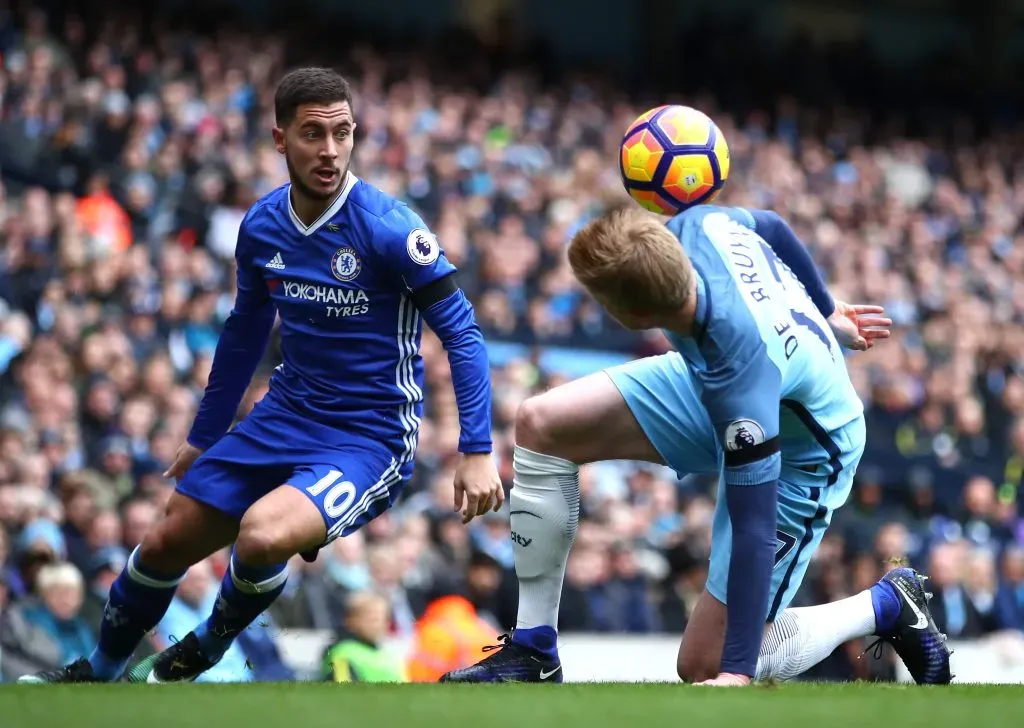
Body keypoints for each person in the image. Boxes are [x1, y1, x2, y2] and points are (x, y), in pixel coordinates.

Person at [20, 67, 502, 685]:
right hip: (283, 417)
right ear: (280, 140)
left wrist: (477, 449)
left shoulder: (390, 227)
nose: (329, 151)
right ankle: (100, 671)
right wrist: (206, 433)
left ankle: (208, 643)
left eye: (342, 133)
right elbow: (245, 330)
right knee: (167, 538)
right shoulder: (262, 225)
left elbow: (462, 332)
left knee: (262, 534)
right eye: (312, 134)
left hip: (368, 435)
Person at [442, 204, 952, 686]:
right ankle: (533, 650)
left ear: (634, 316)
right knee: (543, 422)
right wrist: (824, 309)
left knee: (705, 662)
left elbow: (753, 526)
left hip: (807, 447)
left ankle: (887, 604)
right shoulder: (698, 223)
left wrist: (737, 672)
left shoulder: (741, 381)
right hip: (715, 378)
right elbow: (771, 225)